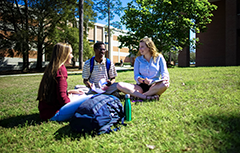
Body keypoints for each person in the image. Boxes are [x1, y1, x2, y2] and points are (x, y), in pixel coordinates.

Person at [37, 43, 92, 121]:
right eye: (70, 53)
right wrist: (70, 99)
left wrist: (70, 92)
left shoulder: (52, 67)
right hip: (55, 114)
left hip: (45, 112)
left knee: (78, 94)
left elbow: (55, 92)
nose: (72, 56)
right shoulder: (61, 70)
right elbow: (63, 99)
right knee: (89, 97)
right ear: (64, 54)